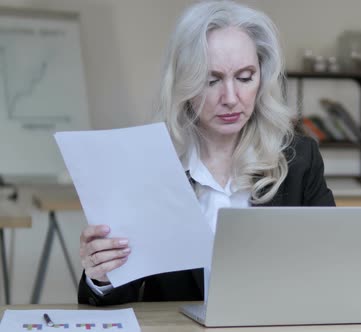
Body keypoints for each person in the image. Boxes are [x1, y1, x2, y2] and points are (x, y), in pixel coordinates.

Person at [78, 0, 335, 306]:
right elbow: (110, 304)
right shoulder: (150, 166)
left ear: (262, 79)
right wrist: (101, 278)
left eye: (244, 77)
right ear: (184, 83)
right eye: (211, 80)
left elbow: (332, 266)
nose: (230, 98)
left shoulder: (300, 159)